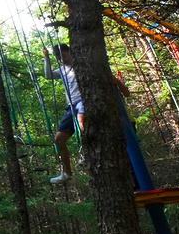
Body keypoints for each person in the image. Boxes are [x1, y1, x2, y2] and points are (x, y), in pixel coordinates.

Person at [43, 43, 131, 183]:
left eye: (63, 55)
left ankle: (87, 149)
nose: (62, 59)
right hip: (71, 106)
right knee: (59, 139)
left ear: (70, 52)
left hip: (84, 99)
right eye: (59, 58)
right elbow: (48, 75)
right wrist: (46, 58)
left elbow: (106, 76)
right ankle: (67, 173)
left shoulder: (82, 65)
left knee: (81, 119)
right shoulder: (61, 71)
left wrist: (119, 86)